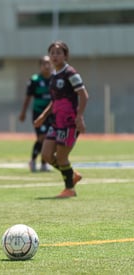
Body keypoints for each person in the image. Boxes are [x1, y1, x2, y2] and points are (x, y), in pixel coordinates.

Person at [34, 40, 89, 198]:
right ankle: (72, 175)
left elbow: (84, 95)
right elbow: (55, 100)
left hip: (69, 122)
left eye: (58, 53)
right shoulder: (53, 76)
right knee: (46, 155)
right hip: (56, 122)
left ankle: (69, 189)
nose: (55, 56)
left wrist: (79, 117)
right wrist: (43, 116)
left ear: (65, 55)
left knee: (62, 156)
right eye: (52, 53)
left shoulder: (70, 73)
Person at [19, 55, 53, 172]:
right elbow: (28, 97)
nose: (47, 66)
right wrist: (23, 112)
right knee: (41, 137)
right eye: (44, 63)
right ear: (40, 66)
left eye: (49, 63)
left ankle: (44, 163)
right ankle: (33, 161)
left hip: (52, 114)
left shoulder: (55, 79)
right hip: (38, 113)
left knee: (49, 138)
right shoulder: (35, 80)